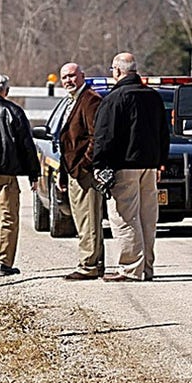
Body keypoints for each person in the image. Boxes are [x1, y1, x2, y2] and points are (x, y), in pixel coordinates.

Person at [92, 52, 170, 282]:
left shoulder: (115, 98)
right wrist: (161, 161)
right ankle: (146, 267)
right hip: (150, 165)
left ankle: (130, 268)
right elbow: (163, 132)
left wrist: (100, 164)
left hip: (124, 165)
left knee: (125, 218)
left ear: (117, 70)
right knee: (147, 218)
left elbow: (104, 136)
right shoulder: (153, 96)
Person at [0, 73, 41, 277]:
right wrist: (33, 173)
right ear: (6, 91)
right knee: (9, 217)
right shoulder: (14, 111)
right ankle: (3, 262)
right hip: (6, 173)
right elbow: (26, 145)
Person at [57, 62, 106, 280]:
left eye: (72, 76)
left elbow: (97, 137)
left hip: (85, 173)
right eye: (65, 77)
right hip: (73, 171)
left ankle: (89, 265)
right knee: (83, 219)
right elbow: (67, 140)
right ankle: (95, 262)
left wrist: (84, 165)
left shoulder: (90, 99)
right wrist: (63, 172)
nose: (68, 80)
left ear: (82, 76)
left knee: (88, 219)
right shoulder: (71, 101)